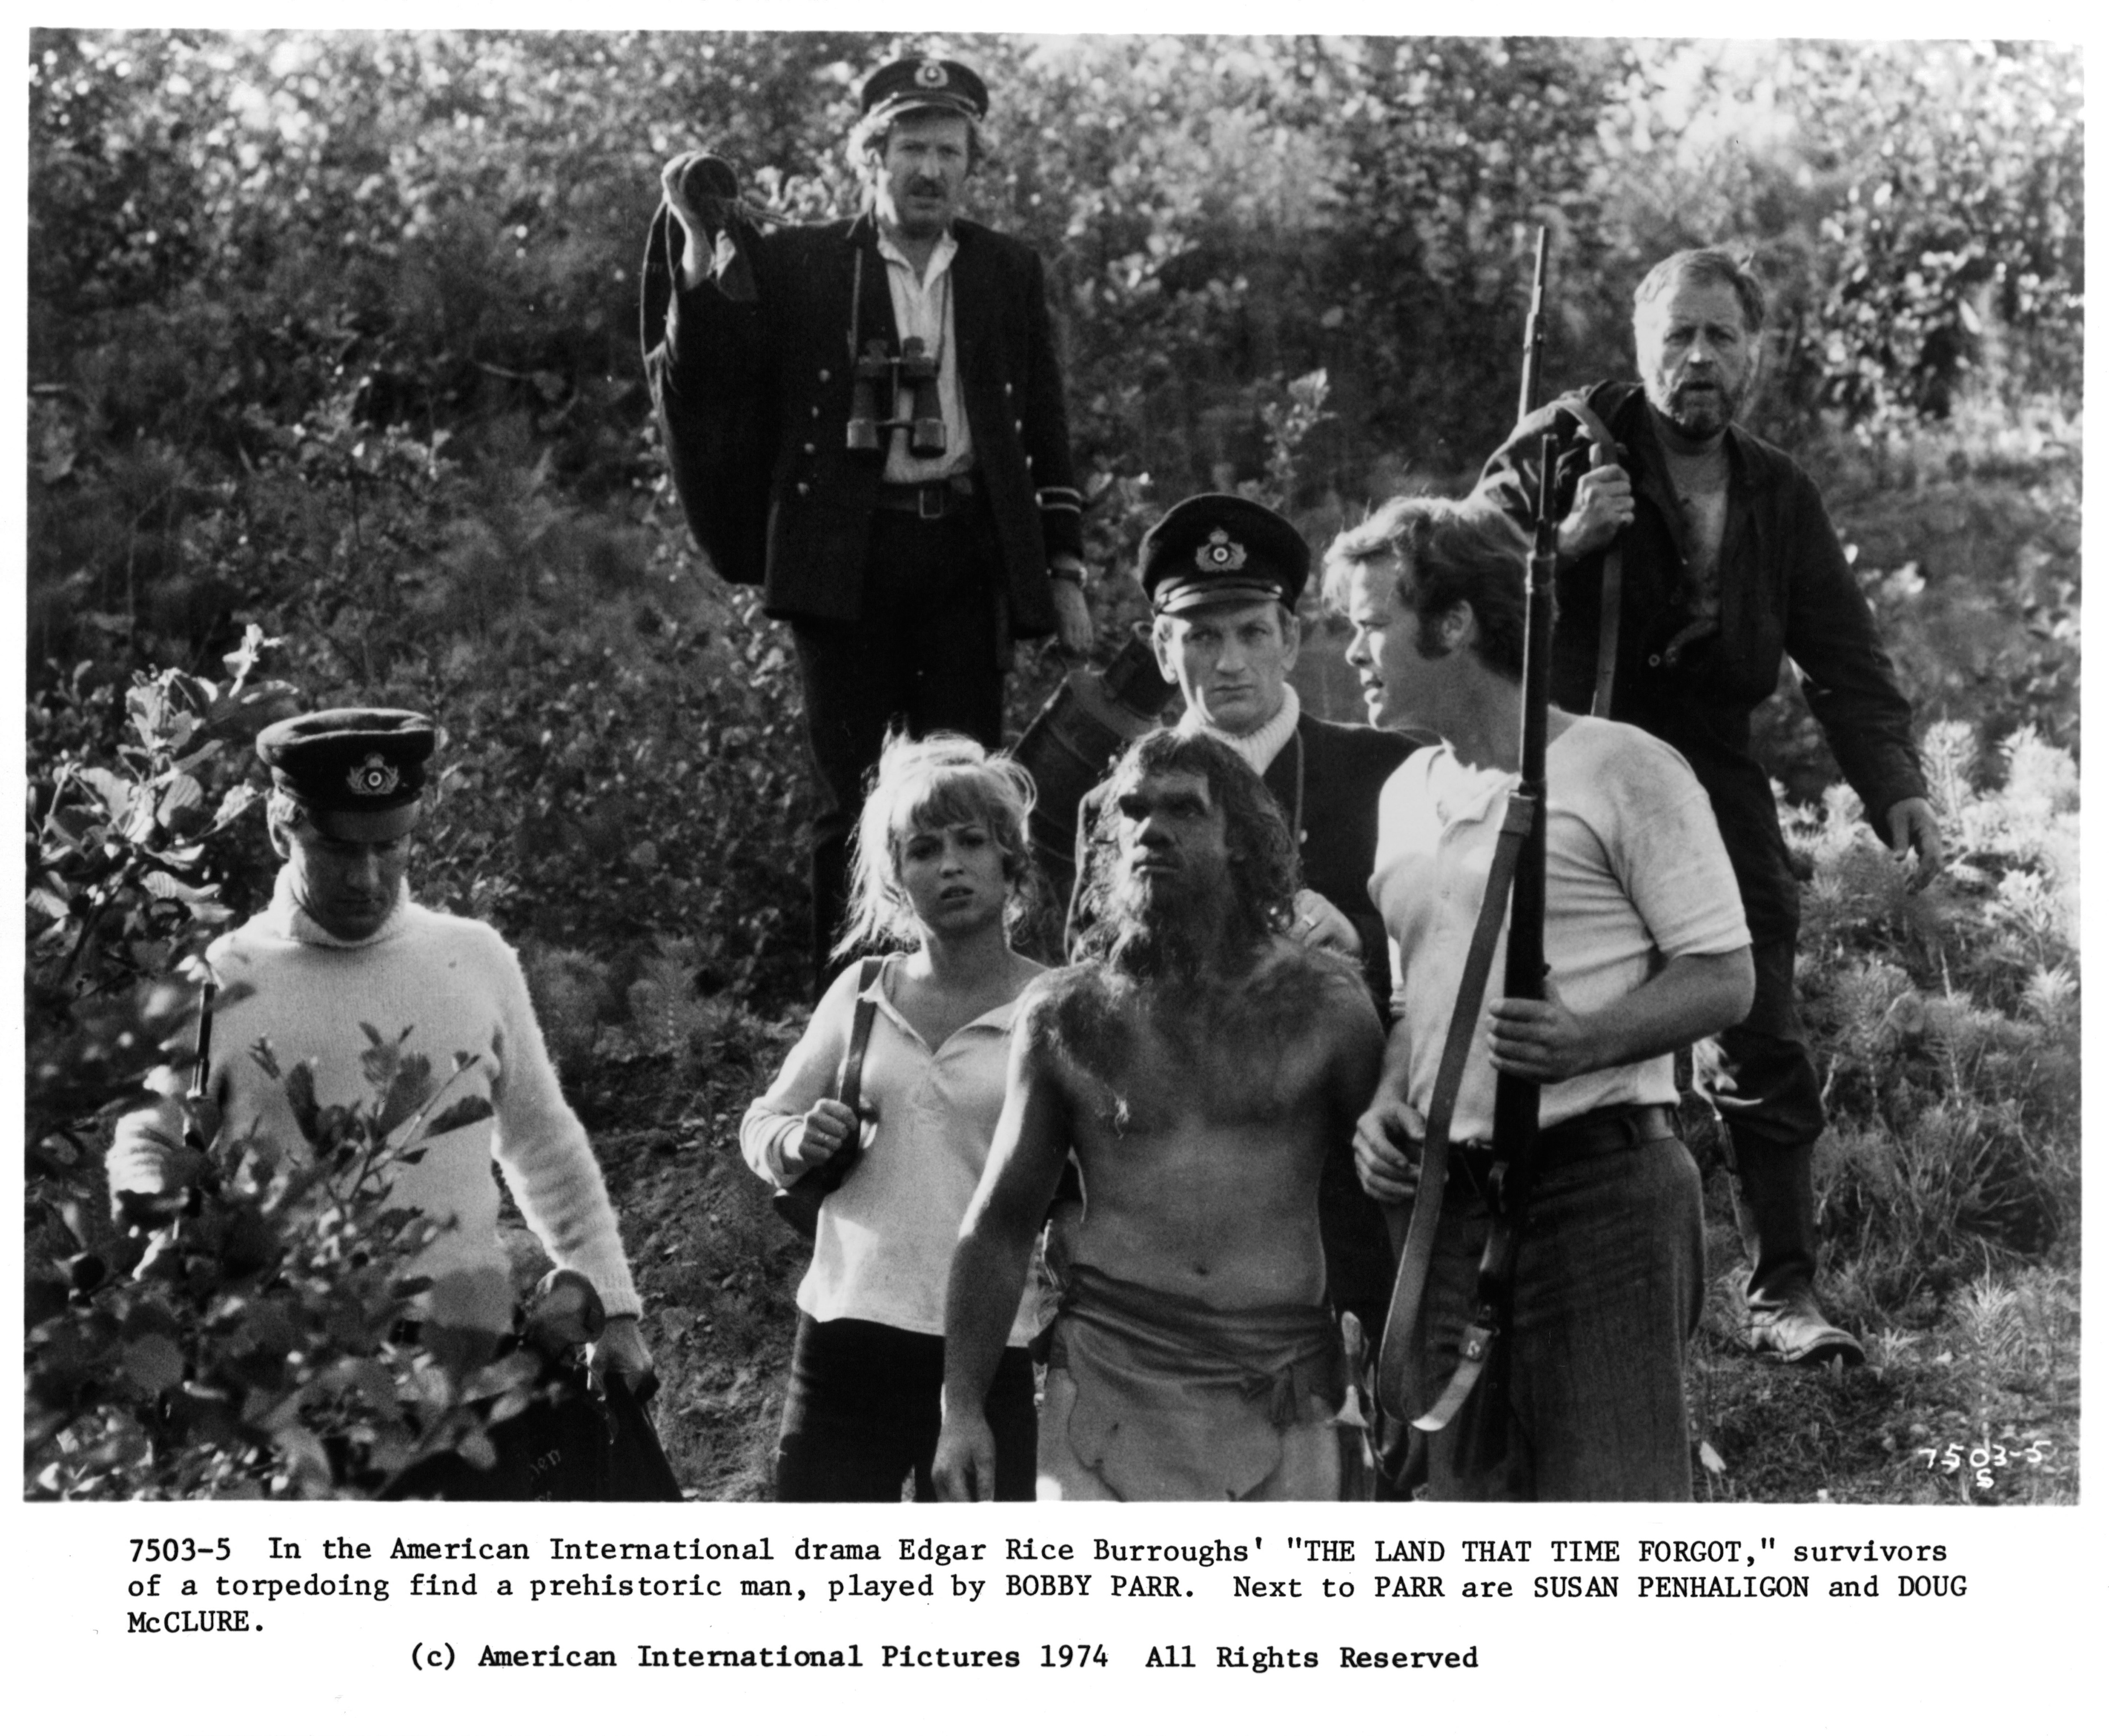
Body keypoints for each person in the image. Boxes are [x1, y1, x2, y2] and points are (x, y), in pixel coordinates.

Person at [1472, 247, 1943, 1367]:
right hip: (1577, 752)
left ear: (1755, 356)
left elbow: (1842, 653)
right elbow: (1457, 583)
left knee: (1761, 1013)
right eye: (1678, 335)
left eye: (1722, 337)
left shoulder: (1776, 489)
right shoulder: (1561, 442)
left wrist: (1897, 784)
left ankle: (1783, 1290)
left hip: (1711, 767)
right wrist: (1565, 541)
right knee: (1528, 1003)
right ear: (1640, 346)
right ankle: (1499, 1253)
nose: (1698, 359)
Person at [1330, 497, 1753, 1500]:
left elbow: (1725, 975)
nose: (1352, 650)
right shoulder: (1404, 794)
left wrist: (1586, 1038)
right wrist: (1388, 1102)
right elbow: (1414, 1006)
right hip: (1451, 1210)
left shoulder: (1621, 766)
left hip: (1599, 1193)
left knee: (1612, 1522)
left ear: (1455, 623)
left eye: (1368, 622)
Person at [644, 55, 1094, 994]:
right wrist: (695, 243)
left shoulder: (1005, 268)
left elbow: (1040, 426)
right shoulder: (806, 262)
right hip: (845, 558)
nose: (930, 170)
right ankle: (847, 1009)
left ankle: (974, 997)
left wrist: (1064, 569)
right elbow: (710, 370)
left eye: (949, 152)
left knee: (968, 791)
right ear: (870, 157)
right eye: (910, 149)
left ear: (971, 164)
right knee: (847, 800)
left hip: (965, 557)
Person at [105, 709, 649, 1379]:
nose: (366, 878)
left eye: (389, 847)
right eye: (338, 849)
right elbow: (146, 1141)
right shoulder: (219, 982)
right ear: (283, 828)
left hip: (468, 1372)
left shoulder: (475, 960)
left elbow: (543, 1143)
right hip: (291, 1378)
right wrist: (163, 1206)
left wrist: (616, 1311)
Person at [933, 730, 1384, 1502]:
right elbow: (999, 1223)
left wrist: (1398, 1375)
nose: (1151, 830)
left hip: (1281, 1375)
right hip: (1107, 1372)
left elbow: (1386, 1204)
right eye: (1133, 811)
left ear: (1240, 839)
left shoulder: (1328, 1006)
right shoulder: (1065, 1014)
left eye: (1183, 810)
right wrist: (961, 1409)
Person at [1065, 493, 1420, 1342]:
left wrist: (1358, 940)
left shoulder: (1384, 772)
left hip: (1345, 1182)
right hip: (1179, 1185)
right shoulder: (1110, 805)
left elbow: (1445, 950)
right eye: (1201, 635)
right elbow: (1087, 980)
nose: (1229, 661)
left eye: (1252, 632)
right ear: (1161, 646)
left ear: (1292, 640)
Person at [740, 732, 1047, 1502]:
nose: (949, 865)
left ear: (1011, 859)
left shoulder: (1058, 1005)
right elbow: (762, 1123)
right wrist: (792, 1139)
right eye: (922, 849)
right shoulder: (863, 990)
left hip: (993, 1346)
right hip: (848, 1336)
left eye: (973, 841)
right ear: (895, 879)